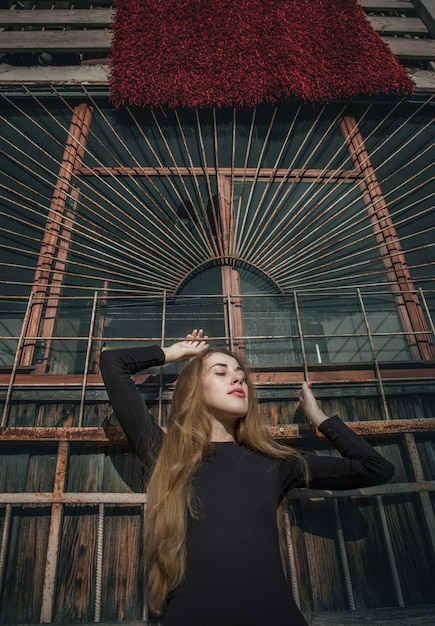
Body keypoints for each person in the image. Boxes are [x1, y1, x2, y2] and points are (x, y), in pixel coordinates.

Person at [100, 329, 394, 626]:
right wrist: (177, 352)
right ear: (193, 389)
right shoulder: (167, 454)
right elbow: (113, 363)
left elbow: (375, 467)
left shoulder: (275, 463)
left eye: (240, 373)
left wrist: (319, 418)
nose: (238, 378)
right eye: (221, 371)